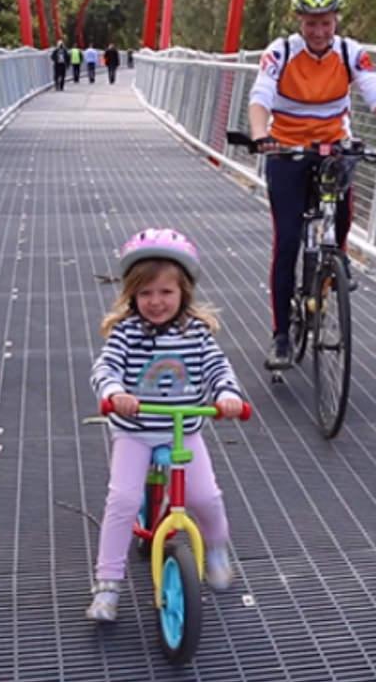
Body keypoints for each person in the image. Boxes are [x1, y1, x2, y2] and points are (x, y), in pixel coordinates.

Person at [248, 0, 376, 371]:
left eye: (326, 22)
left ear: (336, 19)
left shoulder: (350, 52)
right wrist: (260, 135)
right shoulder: (281, 51)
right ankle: (282, 337)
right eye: (310, 22)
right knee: (287, 239)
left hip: (333, 143)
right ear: (298, 21)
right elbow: (260, 96)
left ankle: (337, 257)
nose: (319, 31)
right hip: (287, 148)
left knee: (340, 205)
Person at [86, 228, 245, 622]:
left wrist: (227, 395)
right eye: (145, 294)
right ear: (132, 296)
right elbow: (105, 366)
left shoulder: (196, 333)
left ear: (184, 292)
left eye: (166, 292)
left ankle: (217, 547)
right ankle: (108, 584)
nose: (155, 302)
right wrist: (114, 389)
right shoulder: (127, 332)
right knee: (122, 501)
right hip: (135, 430)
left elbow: (216, 367)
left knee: (206, 497)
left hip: (182, 429)